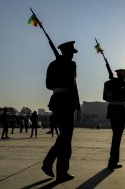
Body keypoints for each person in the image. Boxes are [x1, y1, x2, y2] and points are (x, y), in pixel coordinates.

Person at [42, 41, 82, 182]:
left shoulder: (58, 64)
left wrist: (78, 107)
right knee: (66, 137)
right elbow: (53, 85)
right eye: (71, 53)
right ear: (67, 53)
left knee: (65, 137)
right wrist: (78, 106)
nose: (72, 56)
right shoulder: (66, 64)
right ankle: (54, 166)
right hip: (64, 101)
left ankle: (58, 169)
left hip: (60, 102)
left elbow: (51, 85)